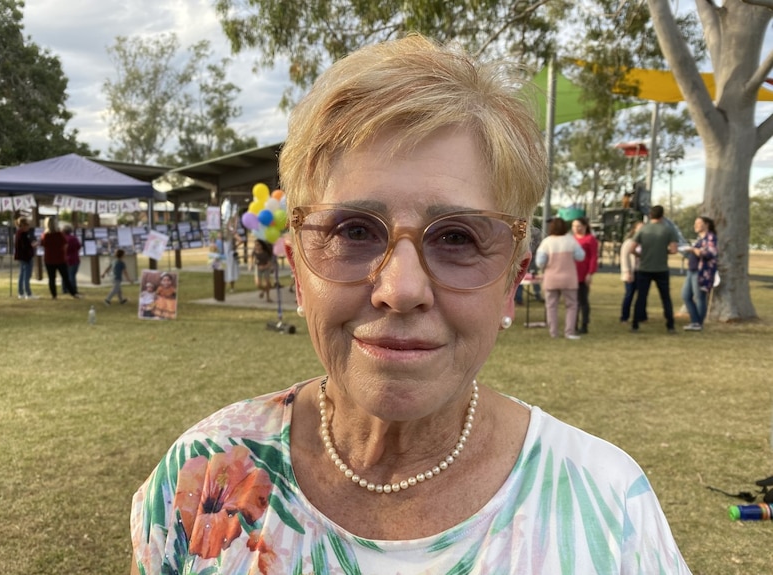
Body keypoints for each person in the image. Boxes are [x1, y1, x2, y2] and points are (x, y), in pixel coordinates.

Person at [130, 35, 690, 574]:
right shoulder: (201, 475)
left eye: (457, 238)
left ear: (512, 283)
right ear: (299, 271)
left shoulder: (610, 506)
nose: (400, 289)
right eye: (353, 231)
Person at [629, 205, 680, 333]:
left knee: (641, 297)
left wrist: (641, 255)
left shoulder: (643, 230)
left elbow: (632, 249)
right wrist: (663, 251)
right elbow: (674, 250)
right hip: (661, 268)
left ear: (650, 215)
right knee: (665, 297)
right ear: (662, 216)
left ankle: (635, 324)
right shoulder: (668, 230)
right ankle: (670, 325)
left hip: (645, 267)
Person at [535, 217, 585, 339]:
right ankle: (569, 332)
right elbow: (581, 256)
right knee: (572, 305)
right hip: (569, 279)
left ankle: (553, 332)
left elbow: (540, 262)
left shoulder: (547, 242)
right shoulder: (571, 240)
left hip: (551, 278)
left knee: (551, 306)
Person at [681, 216, 718, 331]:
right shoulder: (699, 239)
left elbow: (710, 253)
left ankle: (698, 323)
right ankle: (695, 321)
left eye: (699, 223)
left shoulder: (710, 238)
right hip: (691, 270)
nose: (695, 225)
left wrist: (694, 250)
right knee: (686, 296)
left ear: (706, 225)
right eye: (695, 223)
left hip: (701, 271)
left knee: (699, 297)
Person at [40, 217, 78, 299]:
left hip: (49, 259)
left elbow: (43, 245)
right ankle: (73, 293)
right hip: (60, 259)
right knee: (65, 277)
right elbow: (65, 245)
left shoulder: (45, 235)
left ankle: (54, 295)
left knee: (51, 278)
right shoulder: (59, 234)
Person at [572, 216, 598, 334]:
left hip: (583, 274)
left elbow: (593, 257)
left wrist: (590, 273)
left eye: (579, 226)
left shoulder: (590, 239)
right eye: (574, 226)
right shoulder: (571, 239)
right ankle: (574, 324)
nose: (576, 229)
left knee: (583, 300)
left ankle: (584, 324)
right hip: (572, 273)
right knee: (573, 301)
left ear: (584, 227)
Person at [619, 220, 645, 323]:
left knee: (642, 295)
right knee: (629, 294)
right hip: (631, 271)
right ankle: (624, 316)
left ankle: (641, 316)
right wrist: (627, 272)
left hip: (642, 271)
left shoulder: (645, 242)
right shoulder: (629, 242)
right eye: (640, 228)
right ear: (635, 229)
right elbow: (624, 258)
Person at [14, 217, 39, 299]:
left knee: (21, 275)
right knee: (26, 276)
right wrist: (34, 245)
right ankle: (28, 293)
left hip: (22, 257)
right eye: (27, 225)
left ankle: (21, 293)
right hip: (26, 257)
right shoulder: (23, 234)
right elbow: (26, 246)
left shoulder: (18, 233)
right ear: (23, 225)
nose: (28, 227)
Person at [63, 225, 82, 296]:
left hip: (65, 259)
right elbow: (78, 246)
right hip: (74, 258)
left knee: (64, 275)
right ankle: (73, 289)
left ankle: (64, 289)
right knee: (72, 275)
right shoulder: (74, 238)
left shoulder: (63, 238)